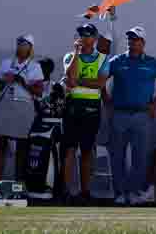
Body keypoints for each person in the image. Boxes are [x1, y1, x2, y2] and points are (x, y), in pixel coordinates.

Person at [104, 26, 156, 205]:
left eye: (135, 39)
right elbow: (101, 80)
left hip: (142, 116)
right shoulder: (117, 61)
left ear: (143, 43)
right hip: (119, 115)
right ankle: (120, 193)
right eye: (130, 39)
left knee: (139, 157)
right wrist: (107, 101)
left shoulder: (152, 63)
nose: (131, 42)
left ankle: (134, 192)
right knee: (117, 155)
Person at [61, 23, 106, 203]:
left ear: (95, 38)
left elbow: (100, 83)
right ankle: (66, 191)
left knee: (87, 150)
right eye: (81, 35)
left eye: (88, 35)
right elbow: (69, 76)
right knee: (69, 149)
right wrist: (76, 53)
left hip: (92, 107)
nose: (84, 38)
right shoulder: (70, 56)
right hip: (73, 106)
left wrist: (78, 81)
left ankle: (85, 192)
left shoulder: (103, 58)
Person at [0, 35, 45, 180]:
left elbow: (39, 92)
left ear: (30, 47)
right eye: (19, 43)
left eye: (24, 44)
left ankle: (19, 182)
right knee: (1, 145)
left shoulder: (35, 66)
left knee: (22, 147)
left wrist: (21, 81)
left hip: (24, 107)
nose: (20, 46)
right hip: (5, 104)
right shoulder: (6, 63)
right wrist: (3, 80)